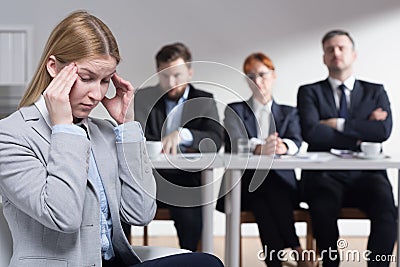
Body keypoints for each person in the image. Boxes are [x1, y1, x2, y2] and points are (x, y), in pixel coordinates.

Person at [0, 10, 224, 267]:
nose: (97, 94)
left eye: (106, 80)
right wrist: (64, 129)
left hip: (114, 262)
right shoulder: (11, 134)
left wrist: (126, 127)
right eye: (86, 78)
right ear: (53, 67)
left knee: (206, 262)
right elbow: (64, 216)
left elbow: (140, 212)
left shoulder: (104, 131)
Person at [297, 30, 396, 267]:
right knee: (321, 208)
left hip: (367, 175)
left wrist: (337, 124)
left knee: (387, 208)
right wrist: (362, 132)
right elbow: (311, 132)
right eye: (330, 49)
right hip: (325, 176)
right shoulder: (309, 92)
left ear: (354, 54)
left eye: (341, 48)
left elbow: (383, 132)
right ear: (323, 57)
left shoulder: (376, 91)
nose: (336, 53)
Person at [217, 52, 312, 267]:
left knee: (264, 199)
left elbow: (297, 140)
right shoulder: (236, 110)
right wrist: (259, 147)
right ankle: (297, 249)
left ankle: (276, 263)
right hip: (243, 186)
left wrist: (283, 146)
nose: (257, 81)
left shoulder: (289, 112)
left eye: (262, 74)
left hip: (279, 187)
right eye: (251, 76)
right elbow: (234, 141)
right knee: (263, 187)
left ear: (273, 75)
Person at [132, 42, 223, 252]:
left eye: (177, 75)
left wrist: (184, 134)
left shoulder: (204, 100)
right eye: (165, 76)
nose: (171, 82)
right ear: (157, 72)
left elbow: (215, 139)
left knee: (190, 217)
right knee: (119, 204)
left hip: (187, 182)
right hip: (151, 180)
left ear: (190, 72)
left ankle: (191, 259)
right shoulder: (143, 98)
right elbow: (138, 135)